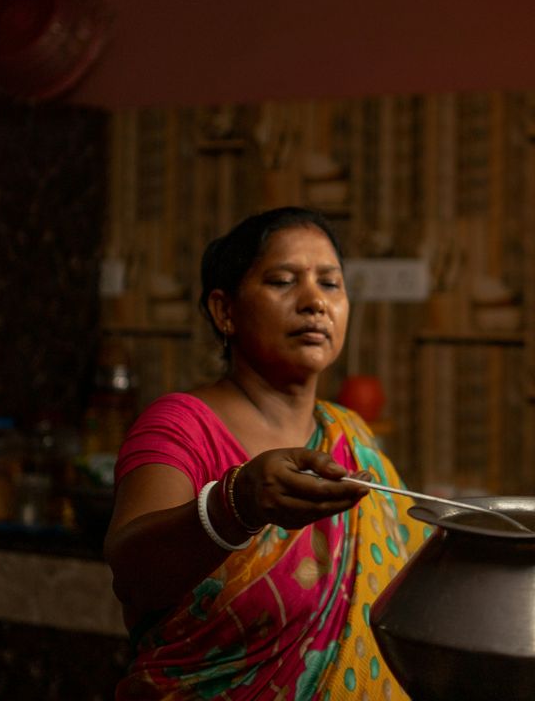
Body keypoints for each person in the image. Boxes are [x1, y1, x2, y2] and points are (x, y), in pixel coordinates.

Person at [105, 207, 425, 700]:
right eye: (282, 281)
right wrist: (236, 505)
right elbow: (131, 575)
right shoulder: (181, 426)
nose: (314, 301)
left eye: (331, 284)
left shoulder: (351, 435)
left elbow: (413, 575)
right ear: (224, 311)